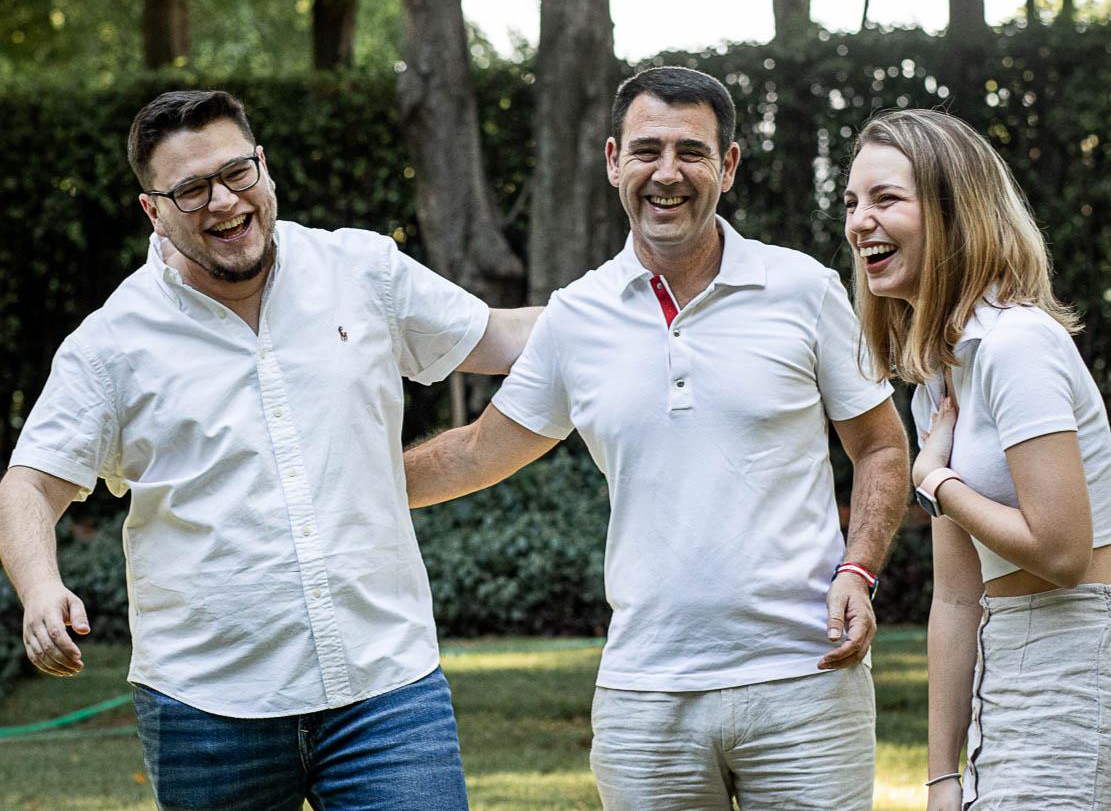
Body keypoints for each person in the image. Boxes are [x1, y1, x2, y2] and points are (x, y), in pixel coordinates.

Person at [0, 89, 538, 811]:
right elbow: (29, 484)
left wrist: (629, 308)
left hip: (385, 687)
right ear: (153, 210)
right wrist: (40, 589)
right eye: (191, 189)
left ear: (263, 166)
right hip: (206, 710)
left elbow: (504, 338)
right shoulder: (112, 343)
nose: (224, 201)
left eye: (236, 172)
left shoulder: (361, 270)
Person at [403, 66, 910, 811]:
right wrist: (338, 480)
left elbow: (881, 446)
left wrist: (858, 569)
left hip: (807, 679)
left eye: (691, 152)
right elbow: (479, 451)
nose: (666, 173)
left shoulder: (803, 289)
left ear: (727, 166)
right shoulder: (577, 316)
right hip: (645, 695)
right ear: (614, 161)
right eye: (646, 150)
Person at [844, 108, 1111, 810]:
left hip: (1079, 655)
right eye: (852, 202)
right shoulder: (938, 380)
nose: (860, 222)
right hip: (1008, 664)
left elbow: (1062, 553)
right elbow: (957, 597)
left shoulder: (1016, 346)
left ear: (952, 212)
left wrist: (935, 481)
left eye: (885, 199)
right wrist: (942, 777)